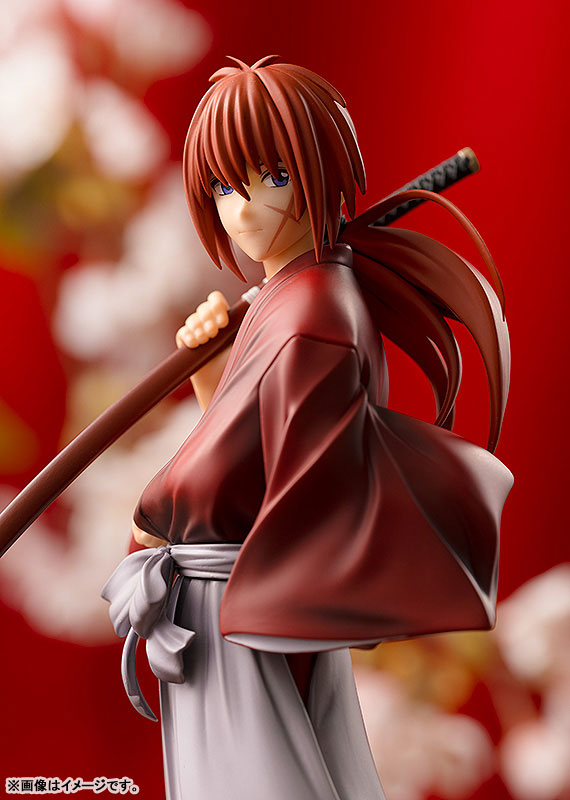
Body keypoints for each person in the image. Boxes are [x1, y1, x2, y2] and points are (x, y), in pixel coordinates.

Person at [102, 55, 513, 800]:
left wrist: (153, 512)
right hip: (247, 588)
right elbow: (250, 438)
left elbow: (243, 466)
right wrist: (212, 375)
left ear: (321, 168)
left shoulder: (312, 312)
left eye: (273, 178)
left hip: (244, 594)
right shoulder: (295, 297)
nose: (244, 211)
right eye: (223, 188)